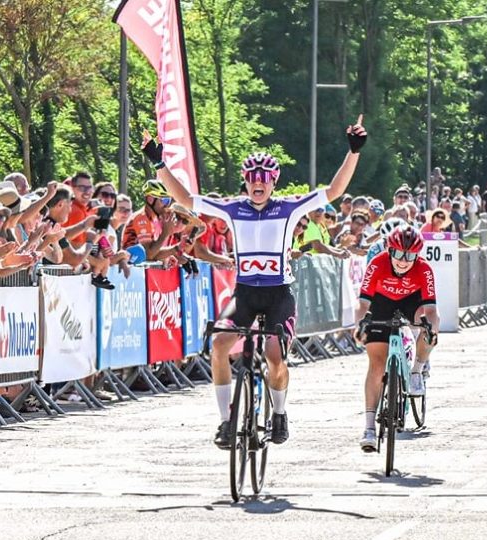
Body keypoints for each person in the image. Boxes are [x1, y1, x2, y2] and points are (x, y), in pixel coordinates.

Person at [144, 115, 367, 449]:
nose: (257, 184)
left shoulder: (290, 207)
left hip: (278, 294)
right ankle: (225, 422)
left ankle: (279, 412)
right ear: (246, 182)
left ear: (273, 182)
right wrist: (159, 163)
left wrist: (353, 152)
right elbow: (187, 200)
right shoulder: (234, 209)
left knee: (275, 357)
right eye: (252, 179)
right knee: (219, 346)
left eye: (264, 179)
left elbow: (334, 191)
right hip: (246, 292)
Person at [354, 227, 439, 451]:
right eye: (399, 254)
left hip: (412, 300)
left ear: (417, 255)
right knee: (376, 364)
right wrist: (361, 324)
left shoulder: (424, 269)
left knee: (430, 329)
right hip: (382, 301)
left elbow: (431, 310)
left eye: (410, 256)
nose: (403, 261)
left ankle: (416, 370)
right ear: (390, 250)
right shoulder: (378, 264)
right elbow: (363, 304)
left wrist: (429, 329)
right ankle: (369, 428)